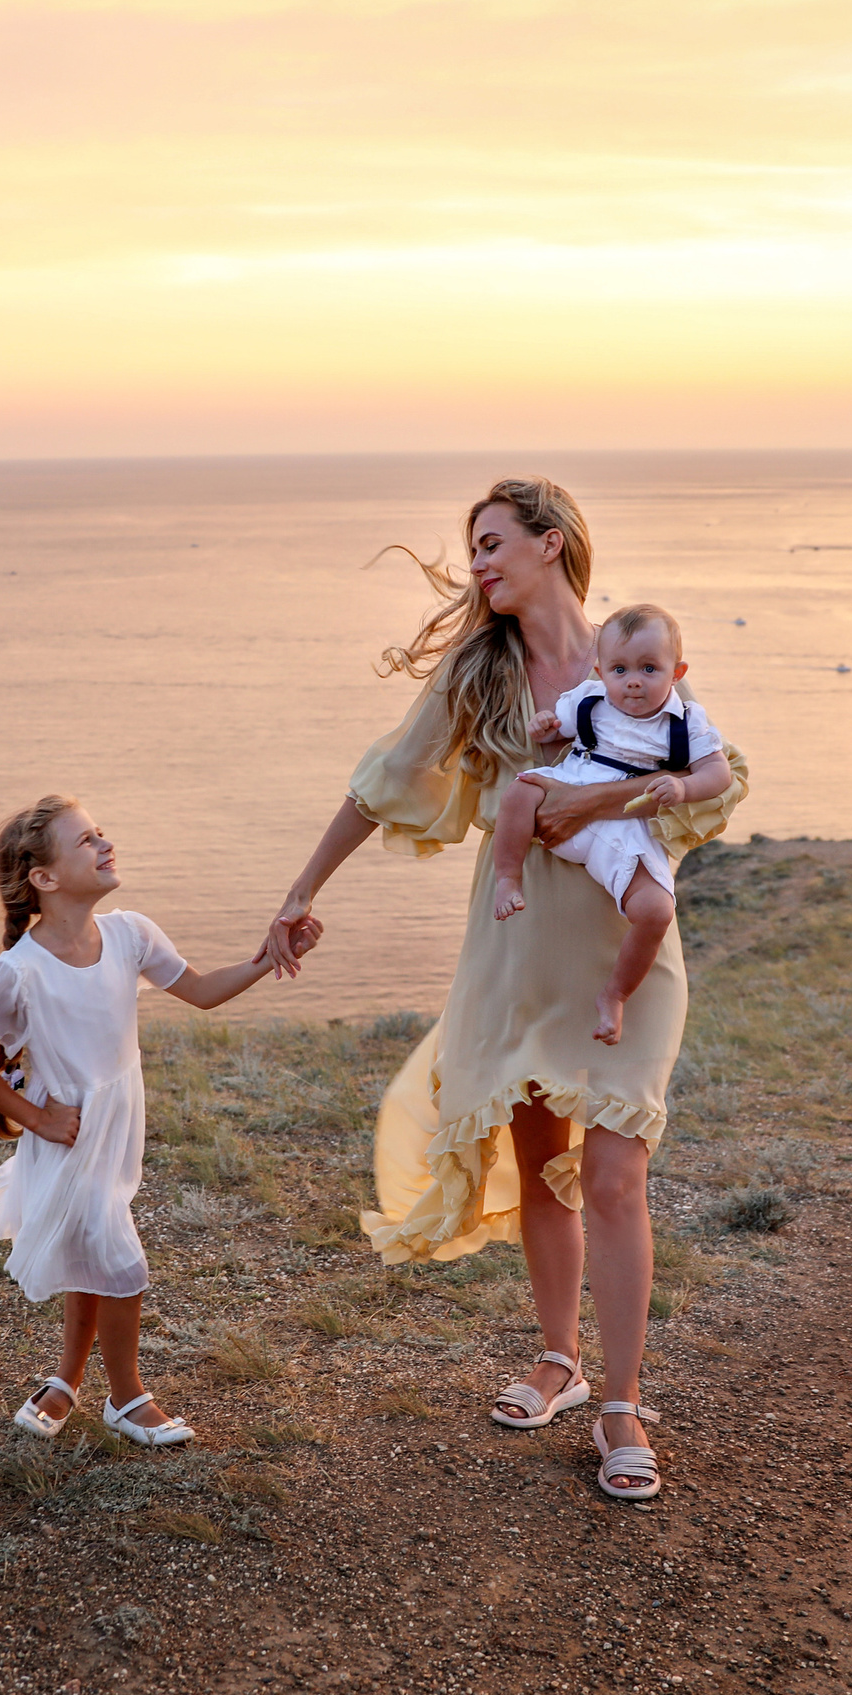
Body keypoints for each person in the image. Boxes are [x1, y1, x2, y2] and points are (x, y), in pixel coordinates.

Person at [262, 479, 746, 1500]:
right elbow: (381, 782)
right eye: (470, 548)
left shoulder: (633, 656)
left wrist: (596, 796)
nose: (478, 563)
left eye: (492, 543)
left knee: (615, 1176)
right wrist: (301, 889)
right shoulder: (477, 674)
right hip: (518, 948)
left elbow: (716, 775)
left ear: (551, 543)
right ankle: (558, 1361)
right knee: (543, 1173)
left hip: (623, 951)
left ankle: (621, 1405)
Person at [0, 795, 318, 1448]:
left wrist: (269, 956)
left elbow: (203, 991)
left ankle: (65, 1381)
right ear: (45, 877)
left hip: (118, 1128)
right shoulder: (17, 972)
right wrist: (37, 1118)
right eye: (86, 839)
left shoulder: (131, 934)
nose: (105, 842)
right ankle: (126, 1396)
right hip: (68, 1139)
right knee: (118, 1261)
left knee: (89, 1252)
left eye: (101, 831)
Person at [486, 603, 725, 1046]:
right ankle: (507, 878)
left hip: (622, 830)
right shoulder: (592, 699)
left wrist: (683, 787)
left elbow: (719, 774)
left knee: (656, 911)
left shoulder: (687, 722)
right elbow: (555, 731)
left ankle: (615, 994)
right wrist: (545, 725)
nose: (633, 680)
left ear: (677, 672)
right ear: (600, 670)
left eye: (649, 668)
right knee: (520, 791)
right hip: (571, 789)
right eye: (619, 669)